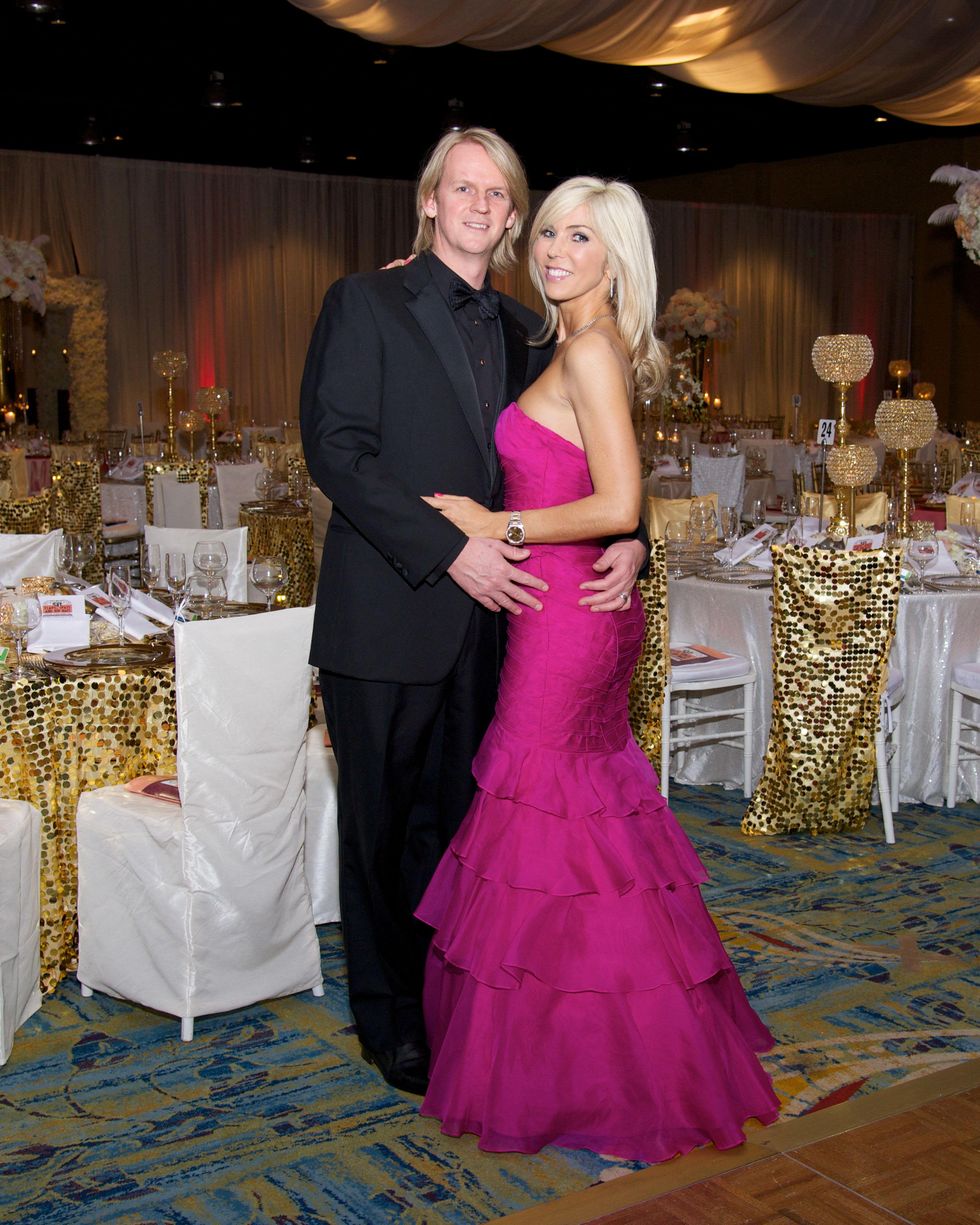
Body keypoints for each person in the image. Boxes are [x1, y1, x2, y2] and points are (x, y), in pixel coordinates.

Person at [415, 176, 780, 1163]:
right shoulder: (576, 342)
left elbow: (618, 501)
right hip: (574, 610)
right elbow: (611, 498)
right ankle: (587, 1049)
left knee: (549, 827)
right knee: (581, 832)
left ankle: (590, 1064)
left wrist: (497, 524)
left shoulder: (588, 349)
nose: (553, 251)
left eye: (579, 238)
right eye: (547, 233)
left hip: (566, 628)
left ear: (616, 258)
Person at [299, 129, 647, 1097]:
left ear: (511, 215)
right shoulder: (362, 301)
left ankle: (451, 1005)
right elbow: (336, 453)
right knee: (377, 830)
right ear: (429, 199)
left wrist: (635, 535)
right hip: (388, 612)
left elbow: (591, 452)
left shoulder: (532, 328)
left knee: (460, 833)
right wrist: (450, 547)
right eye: (463, 188)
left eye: (498, 194)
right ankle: (389, 1022)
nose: (480, 205)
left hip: (499, 627)